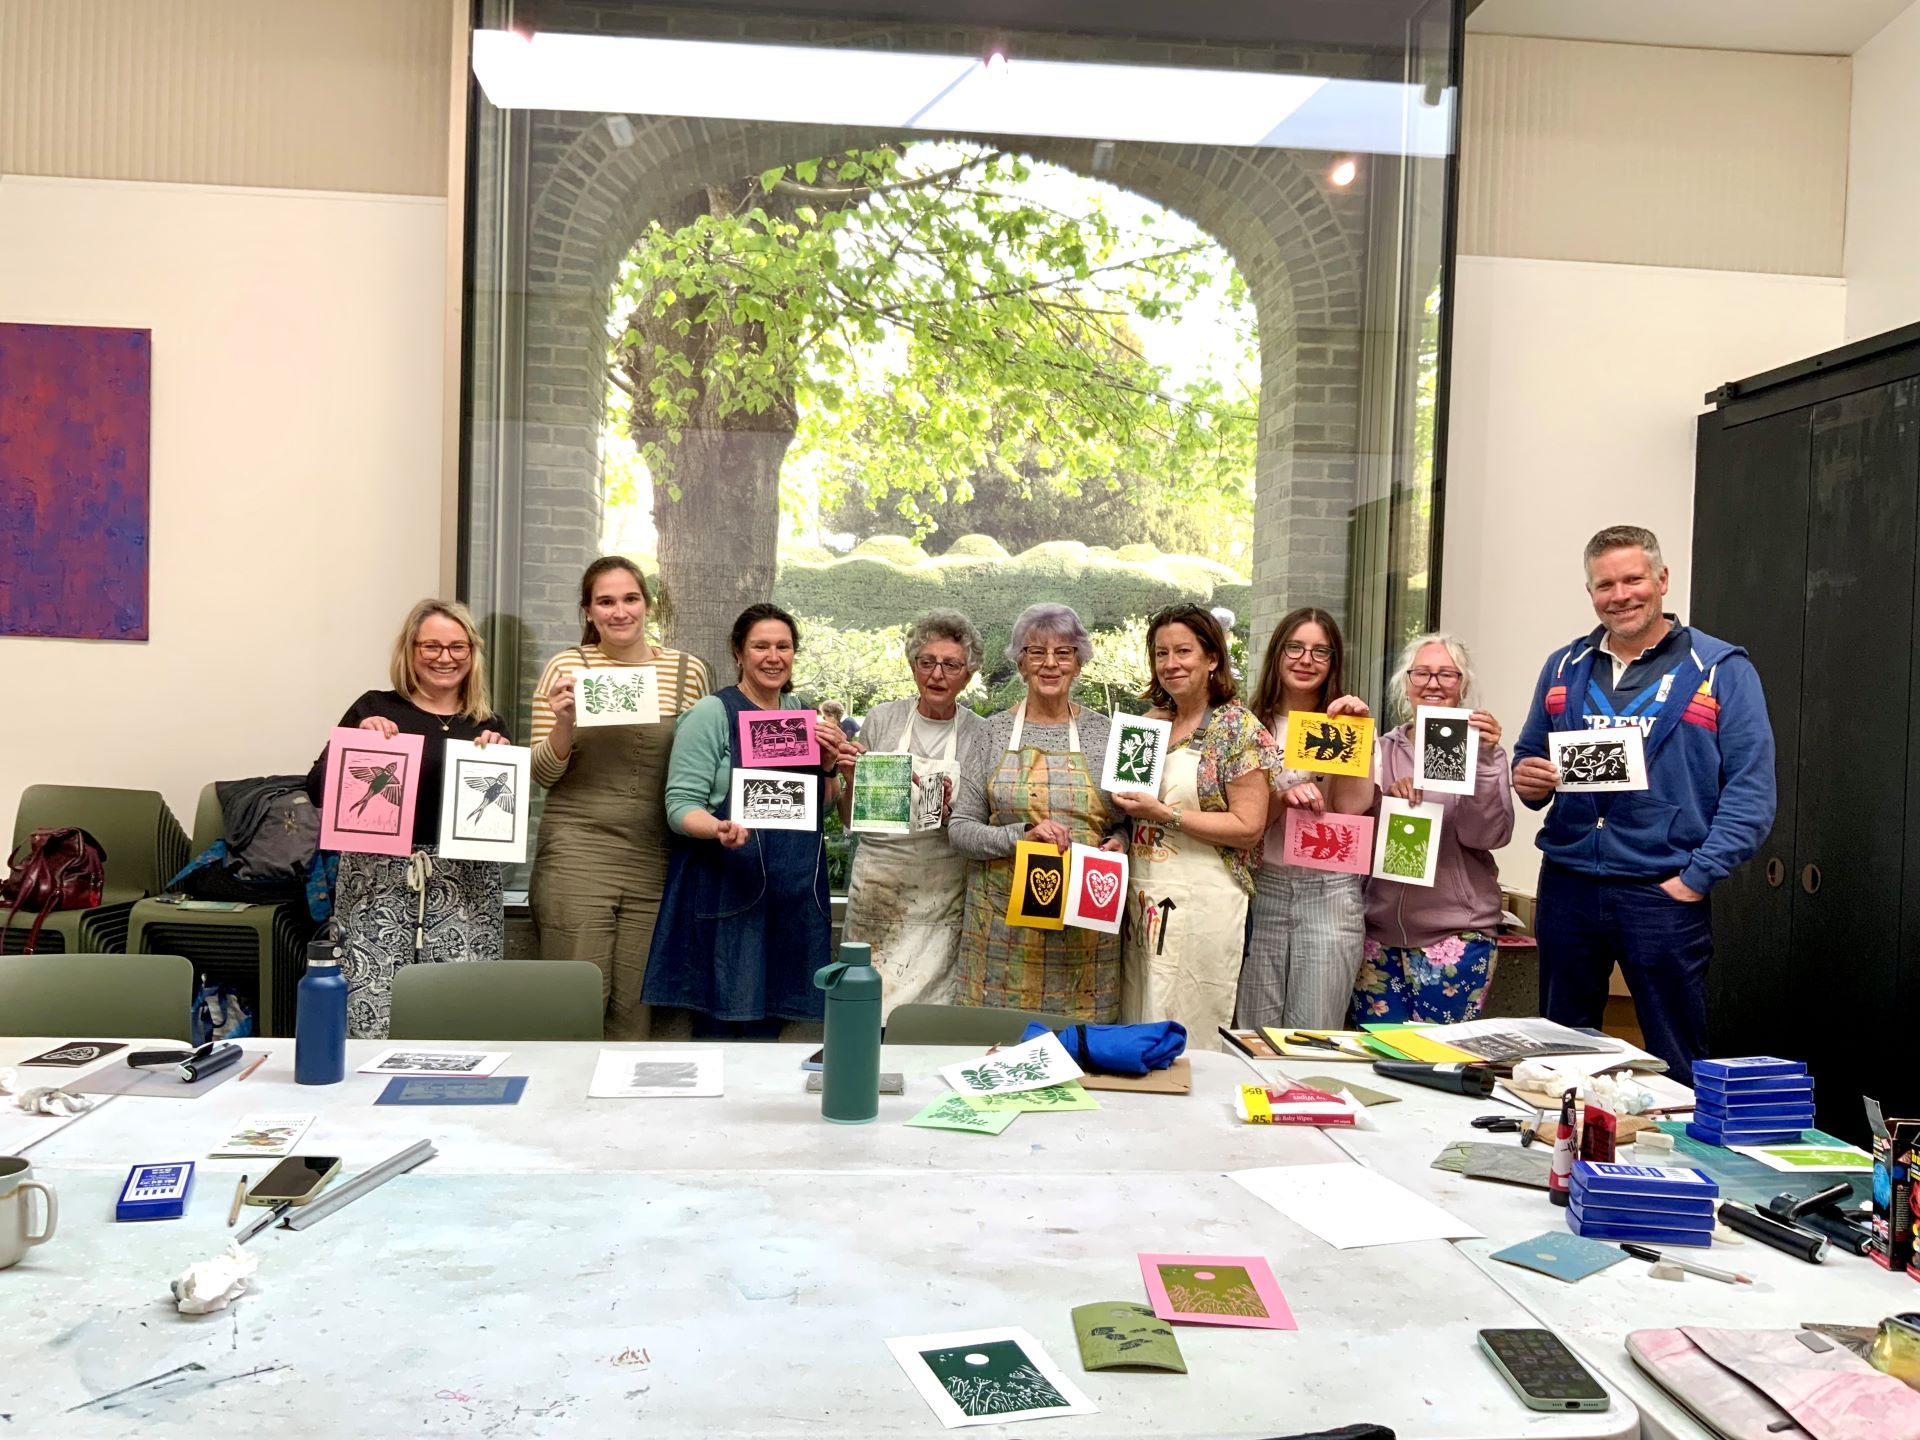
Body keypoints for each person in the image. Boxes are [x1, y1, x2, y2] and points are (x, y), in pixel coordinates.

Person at [1513, 525, 1775, 1084]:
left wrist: (1698, 876)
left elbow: (1751, 791)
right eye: (1605, 584)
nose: (1621, 594)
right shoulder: (1563, 668)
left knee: (1674, 1053)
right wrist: (1529, 781)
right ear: (1590, 593)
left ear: (1661, 580)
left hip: (1662, 891)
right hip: (1568, 884)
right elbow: (1530, 761)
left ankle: (1675, 1167)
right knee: (1558, 1056)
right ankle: (1566, 1165)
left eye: (1633, 579)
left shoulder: (1720, 668)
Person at [304, 600, 511, 1039]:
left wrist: (501, 757)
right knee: (372, 1012)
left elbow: (499, 815)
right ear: (410, 651)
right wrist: (357, 745)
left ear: (472, 653)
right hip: (378, 882)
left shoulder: (486, 725)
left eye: (458, 646)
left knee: (460, 1015)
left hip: (465, 884)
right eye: (431, 645)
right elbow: (318, 789)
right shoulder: (374, 709)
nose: (445, 657)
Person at [644, 603, 849, 1037]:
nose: (773, 656)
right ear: (739, 651)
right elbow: (680, 806)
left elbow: (822, 805)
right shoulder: (712, 713)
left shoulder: (803, 715)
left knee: (770, 1035)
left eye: (783, 646)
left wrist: (830, 765)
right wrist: (718, 828)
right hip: (728, 891)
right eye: (760, 646)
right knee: (719, 1032)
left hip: (790, 899)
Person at [526, 557, 710, 1040]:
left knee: (635, 1013)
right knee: (576, 1004)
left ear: (648, 606)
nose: (619, 611)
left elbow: (705, 766)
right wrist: (564, 723)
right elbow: (543, 773)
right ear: (588, 611)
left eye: (630, 599)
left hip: (655, 860)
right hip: (577, 854)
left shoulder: (688, 671)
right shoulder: (568, 666)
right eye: (605, 602)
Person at [950, 603, 1129, 1021]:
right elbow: (960, 829)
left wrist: (1119, 842)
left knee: (1081, 1062)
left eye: (1064, 653)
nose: (1050, 664)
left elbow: (1130, 821)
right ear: (1020, 663)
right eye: (1036, 652)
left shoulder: (1107, 733)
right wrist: (1019, 836)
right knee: (997, 1054)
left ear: (1079, 663)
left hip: (1085, 933)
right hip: (1000, 932)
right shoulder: (990, 732)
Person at [1110, 604, 1276, 1047]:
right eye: (1161, 654)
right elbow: (1123, 806)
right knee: (1140, 1014)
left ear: (1212, 659)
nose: (1171, 664)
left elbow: (1248, 826)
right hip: (1144, 902)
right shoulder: (1147, 726)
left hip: (1205, 905)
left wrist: (1168, 815)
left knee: (1188, 1028)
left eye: (1184, 651)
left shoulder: (1237, 727)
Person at [1351, 633, 1514, 1025]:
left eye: (1447, 674)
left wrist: (1486, 760)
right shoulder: (1381, 749)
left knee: (1440, 1063)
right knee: (1377, 1057)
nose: (1433, 683)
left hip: (1456, 935)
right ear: (1406, 684)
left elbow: (1488, 836)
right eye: (1422, 673)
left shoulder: (1480, 750)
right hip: (1379, 933)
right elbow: (1355, 831)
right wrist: (1384, 801)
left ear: (1463, 686)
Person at [835, 610, 986, 1019]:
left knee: (931, 1017)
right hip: (878, 889)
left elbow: (982, 825)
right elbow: (850, 820)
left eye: (951, 664)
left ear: (968, 674)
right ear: (913, 664)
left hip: (943, 890)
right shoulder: (882, 720)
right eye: (927, 662)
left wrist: (960, 807)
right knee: (868, 1009)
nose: (937, 674)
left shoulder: (980, 733)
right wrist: (852, 778)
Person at [1237, 608, 1375, 1031]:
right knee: (1253, 1034)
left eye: (1320, 651)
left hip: (1331, 891)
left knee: (1314, 1034)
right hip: (1263, 890)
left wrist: (1359, 733)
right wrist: (1281, 797)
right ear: (1277, 654)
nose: (1306, 659)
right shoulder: (1247, 724)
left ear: (1333, 662)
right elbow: (1243, 822)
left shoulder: (1344, 723)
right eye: (1295, 647)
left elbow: (1351, 809)